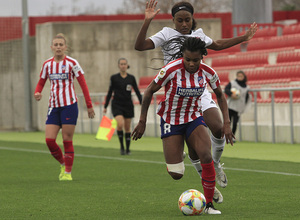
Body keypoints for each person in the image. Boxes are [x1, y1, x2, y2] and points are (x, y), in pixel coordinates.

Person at [134, 0, 257, 192]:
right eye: (180, 20)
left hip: (199, 92)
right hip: (177, 94)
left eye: (188, 20)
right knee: (189, 156)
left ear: (193, 20)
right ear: (173, 20)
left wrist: (243, 38)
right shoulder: (166, 33)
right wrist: (147, 21)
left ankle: (215, 164)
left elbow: (217, 44)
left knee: (218, 128)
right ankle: (204, 177)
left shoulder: (198, 36)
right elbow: (140, 45)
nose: (184, 24)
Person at [132, 37, 233, 214]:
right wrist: (142, 121)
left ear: (202, 57)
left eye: (196, 60)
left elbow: (220, 95)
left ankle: (209, 205)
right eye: (188, 59)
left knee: (206, 156)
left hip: (194, 118)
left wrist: (227, 123)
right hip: (171, 121)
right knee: (176, 174)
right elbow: (149, 91)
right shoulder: (170, 70)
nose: (192, 63)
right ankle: (179, 152)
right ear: (183, 56)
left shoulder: (208, 72)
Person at [34, 33, 95, 181]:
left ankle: (67, 172)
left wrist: (89, 105)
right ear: (52, 47)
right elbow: (41, 81)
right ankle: (63, 163)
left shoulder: (72, 63)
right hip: (54, 106)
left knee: (67, 139)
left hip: (69, 105)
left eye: (61, 45)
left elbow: (83, 83)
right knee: (49, 140)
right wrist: (37, 91)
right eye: (56, 45)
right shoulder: (47, 64)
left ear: (65, 47)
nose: (58, 47)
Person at [104, 58, 142, 155]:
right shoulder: (114, 78)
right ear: (119, 65)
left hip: (128, 104)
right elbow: (110, 92)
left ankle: (128, 149)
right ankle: (122, 147)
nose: (123, 65)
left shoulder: (131, 78)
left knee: (127, 127)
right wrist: (105, 105)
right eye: (121, 64)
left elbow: (137, 90)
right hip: (117, 104)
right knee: (120, 124)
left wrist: (142, 102)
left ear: (127, 65)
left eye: (125, 64)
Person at [224, 70, 251, 139]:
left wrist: (244, 105)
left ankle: (232, 137)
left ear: (244, 77)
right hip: (230, 106)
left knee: (235, 123)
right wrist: (231, 94)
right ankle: (226, 136)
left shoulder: (247, 87)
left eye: (241, 76)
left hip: (239, 107)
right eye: (238, 76)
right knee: (228, 122)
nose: (239, 77)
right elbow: (226, 89)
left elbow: (247, 97)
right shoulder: (232, 83)